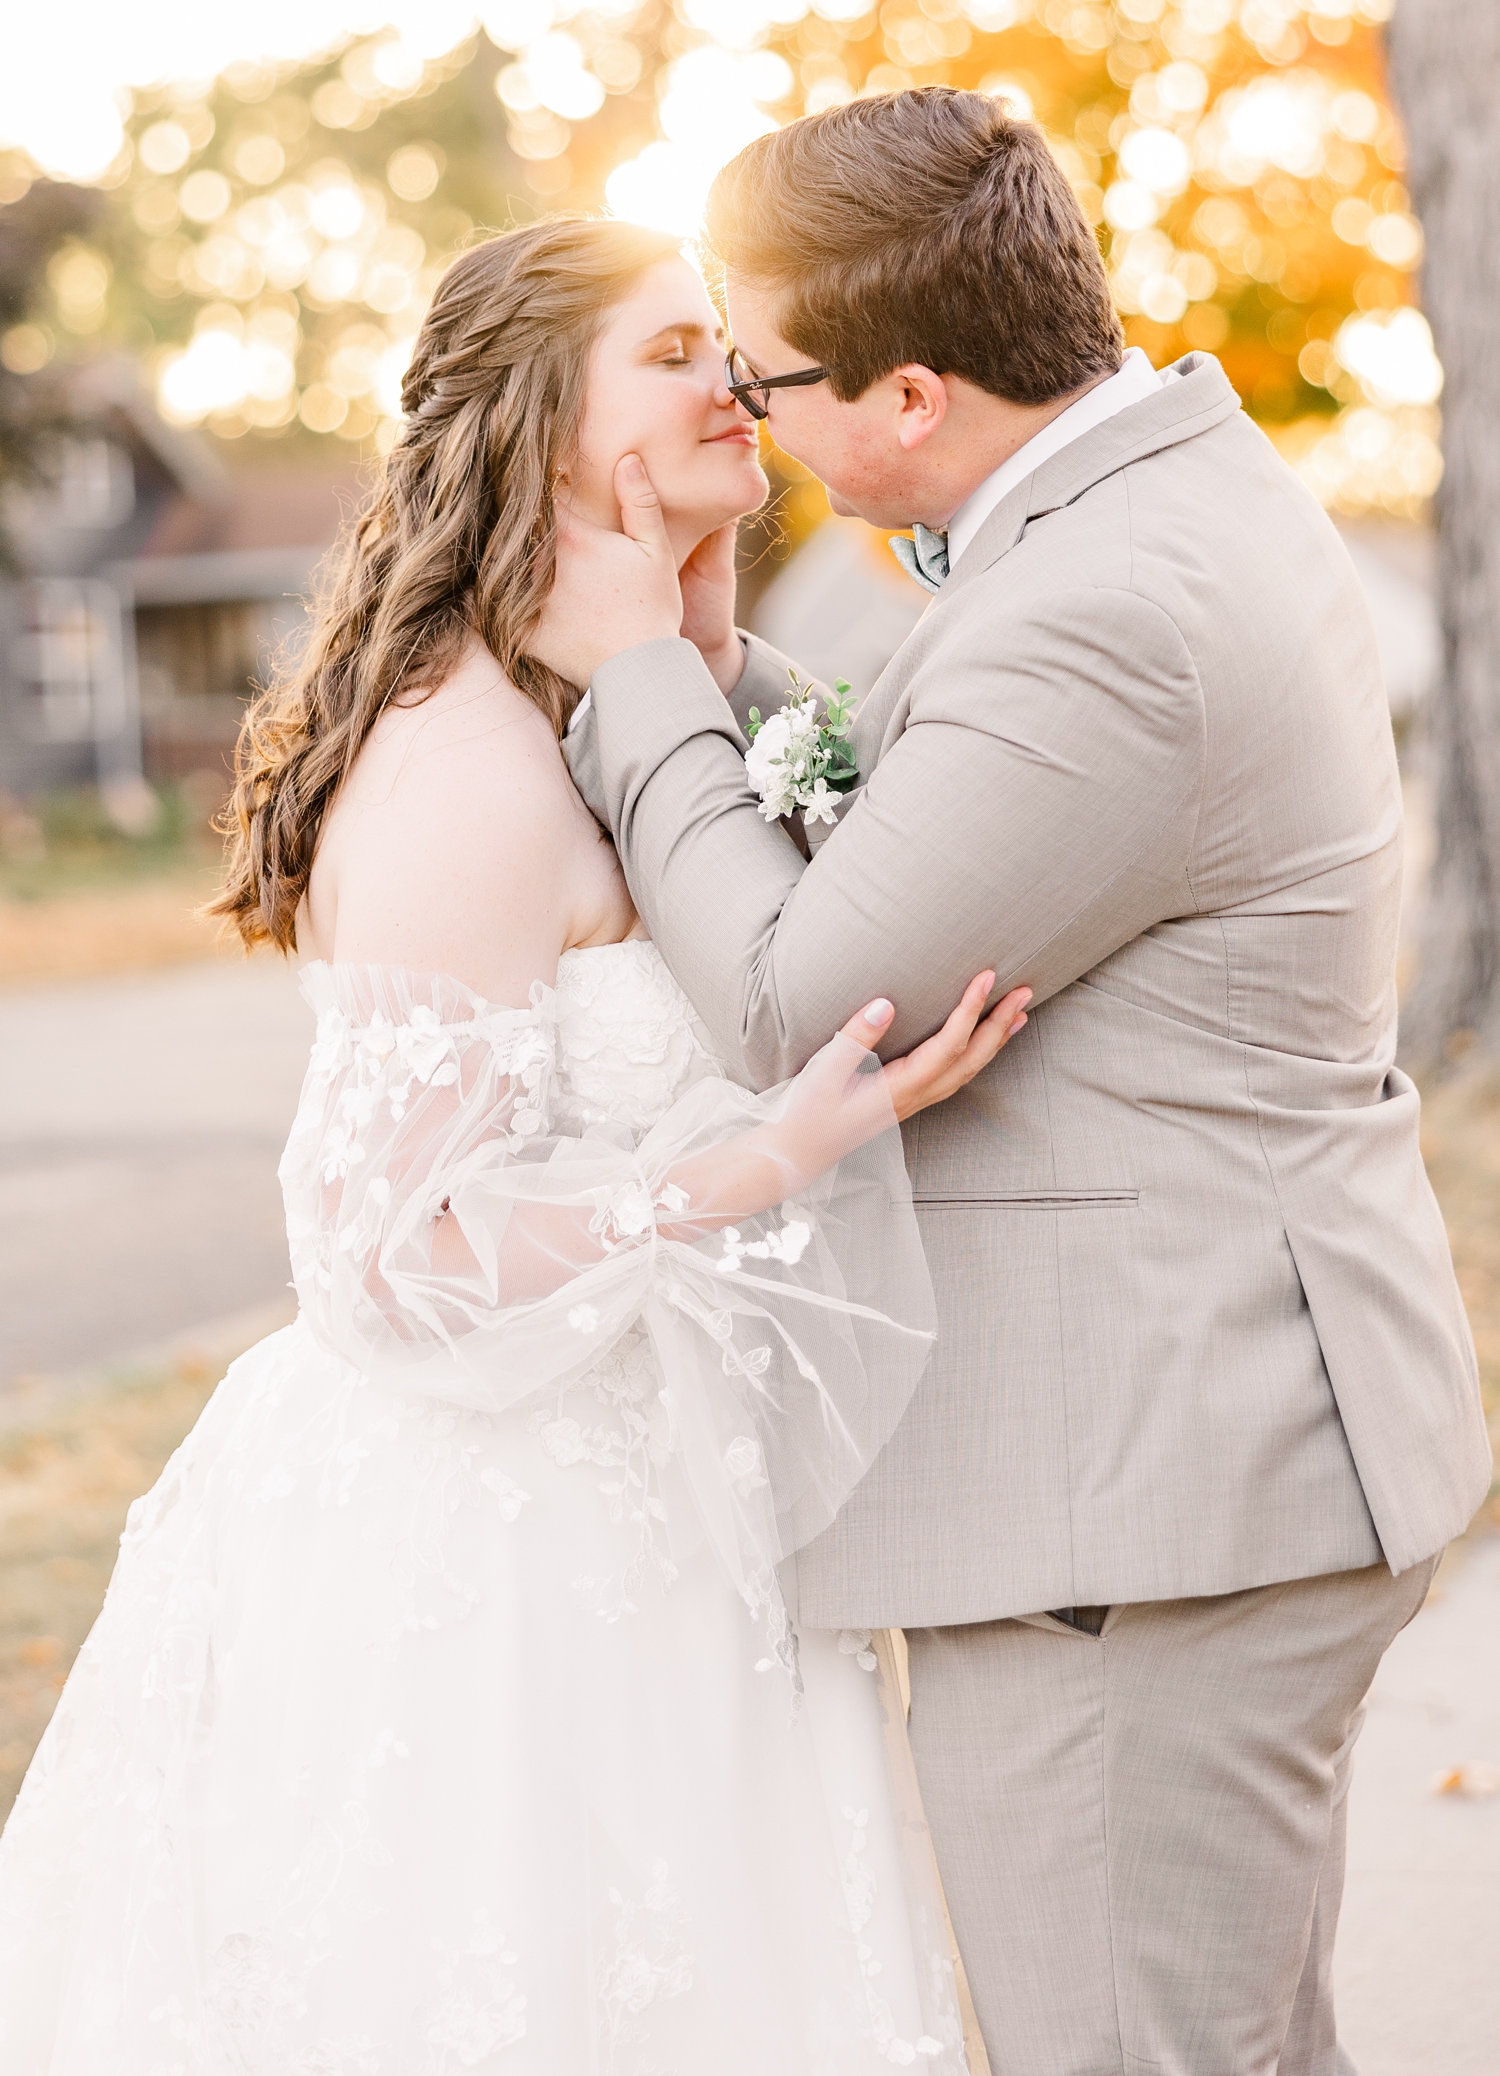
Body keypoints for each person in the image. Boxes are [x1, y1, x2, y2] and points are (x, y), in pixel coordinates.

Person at [0, 217, 1032, 2073]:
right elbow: (381, 1254)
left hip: (684, 1517)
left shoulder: (634, 712)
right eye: (669, 353)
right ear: (543, 422)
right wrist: (760, 1161)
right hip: (491, 1561)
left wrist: (699, 629)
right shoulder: (460, 757)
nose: (735, 378)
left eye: (727, 346)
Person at [538, 90, 1494, 2076]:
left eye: (764, 372)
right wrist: (720, 680)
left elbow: (809, 1000)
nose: (746, 408)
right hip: (1185, 1461)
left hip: (1145, 1508)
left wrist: (637, 681)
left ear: (903, 393)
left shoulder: (1101, 605)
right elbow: (956, 806)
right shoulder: (1129, 513)